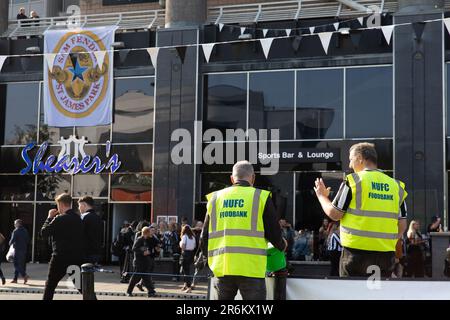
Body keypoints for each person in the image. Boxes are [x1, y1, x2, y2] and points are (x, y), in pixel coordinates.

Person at [314, 142, 408, 278]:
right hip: (385, 256)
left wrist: (322, 196)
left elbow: (334, 214)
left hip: (355, 255)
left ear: (360, 158)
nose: (349, 165)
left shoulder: (353, 181)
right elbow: (402, 225)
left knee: (352, 295)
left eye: (351, 159)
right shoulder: (396, 186)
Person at [201, 160, 287, 300]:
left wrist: (210, 261)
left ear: (232, 178)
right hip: (251, 269)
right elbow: (274, 233)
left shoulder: (215, 198)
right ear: (253, 178)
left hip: (223, 268)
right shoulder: (261, 197)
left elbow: (204, 237)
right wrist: (282, 245)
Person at [41, 193, 84, 300]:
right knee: (80, 285)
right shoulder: (78, 219)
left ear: (60, 204)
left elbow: (44, 232)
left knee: (50, 285)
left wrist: (49, 218)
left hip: (59, 257)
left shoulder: (60, 218)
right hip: (75, 257)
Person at [126, 227, 157, 298]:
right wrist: (143, 253)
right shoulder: (140, 239)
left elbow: (145, 248)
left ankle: (151, 291)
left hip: (145, 262)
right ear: (147, 233)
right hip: (139, 263)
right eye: (149, 232)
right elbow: (134, 248)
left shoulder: (146, 240)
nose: (151, 233)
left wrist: (147, 252)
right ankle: (128, 291)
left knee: (146, 277)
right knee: (135, 278)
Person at [79, 196, 103, 265]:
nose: (79, 208)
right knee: (89, 274)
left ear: (84, 205)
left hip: (85, 253)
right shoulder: (98, 217)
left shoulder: (84, 216)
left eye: (79, 206)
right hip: (96, 252)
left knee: (81, 273)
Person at [9, 220, 30, 284]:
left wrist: (10, 243)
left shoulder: (16, 231)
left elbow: (11, 241)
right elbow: (28, 240)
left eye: (15, 224)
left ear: (18, 224)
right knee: (22, 265)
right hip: (24, 250)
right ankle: (15, 279)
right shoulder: (25, 231)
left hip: (17, 250)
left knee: (16, 264)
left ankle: (24, 275)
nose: (14, 225)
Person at [179, 225, 196, 293]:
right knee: (186, 270)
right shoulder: (193, 237)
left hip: (185, 254)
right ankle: (185, 285)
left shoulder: (184, 236)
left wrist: (180, 245)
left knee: (185, 271)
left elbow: (183, 246)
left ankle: (188, 287)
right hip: (191, 254)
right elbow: (194, 246)